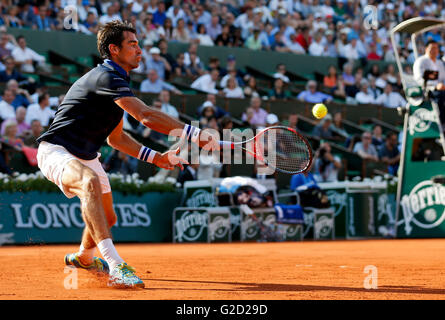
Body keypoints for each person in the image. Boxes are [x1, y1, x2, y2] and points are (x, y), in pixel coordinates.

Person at [35, 21, 218, 288]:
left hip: (86, 156)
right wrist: (194, 134)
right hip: (56, 150)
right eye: (132, 44)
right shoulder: (105, 77)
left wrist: (157, 158)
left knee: (108, 219)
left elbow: (116, 138)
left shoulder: (116, 84)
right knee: (89, 183)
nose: (140, 50)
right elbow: (145, 116)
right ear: (114, 49)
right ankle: (116, 265)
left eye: (138, 44)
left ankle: (84, 258)